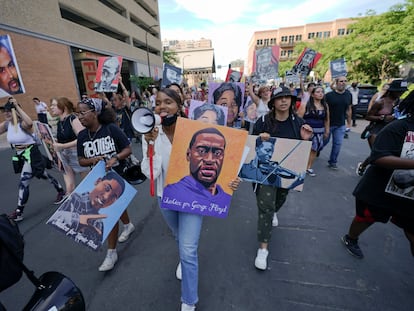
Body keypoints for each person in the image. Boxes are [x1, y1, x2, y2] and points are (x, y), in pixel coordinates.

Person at [141, 88, 239, 311]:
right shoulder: (150, 132)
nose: (162, 107)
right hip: (165, 197)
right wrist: (150, 144)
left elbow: (221, 161)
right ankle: (185, 261)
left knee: (187, 249)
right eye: (157, 103)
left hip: (193, 198)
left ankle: (188, 300)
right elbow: (150, 173)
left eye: (168, 102)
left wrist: (230, 181)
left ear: (179, 106)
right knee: (179, 237)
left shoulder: (194, 129)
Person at [341, 90, 414, 260]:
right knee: (365, 219)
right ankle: (351, 238)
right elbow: (378, 157)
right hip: (380, 189)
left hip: (409, 196)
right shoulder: (399, 127)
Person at [250, 86, 313, 270]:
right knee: (265, 208)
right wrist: (259, 139)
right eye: (280, 98)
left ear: (292, 101)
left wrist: (305, 139)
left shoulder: (298, 123)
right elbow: (250, 147)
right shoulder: (263, 121)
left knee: (280, 198)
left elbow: (301, 153)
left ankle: (274, 210)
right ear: (273, 102)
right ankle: (263, 249)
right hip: (264, 174)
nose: (284, 101)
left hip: (286, 173)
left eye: (287, 98)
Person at [76, 98, 135, 271]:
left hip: (117, 178)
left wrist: (115, 158)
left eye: (82, 112)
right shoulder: (81, 136)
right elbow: (81, 160)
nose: (79, 117)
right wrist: (93, 160)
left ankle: (111, 252)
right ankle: (129, 225)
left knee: (110, 214)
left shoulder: (111, 129)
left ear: (95, 113)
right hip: (99, 180)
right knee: (115, 209)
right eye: (77, 113)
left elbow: (127, 149)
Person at [0, 98, 65, 222]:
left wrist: (17, 108)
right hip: (21, 156)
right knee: (42, 174)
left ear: (16, 112)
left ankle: (19, 211)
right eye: (5, 111)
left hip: (31, 153)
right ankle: (60, 190)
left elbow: (30, 123)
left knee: (24, 181)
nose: (6, 113)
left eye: (9, 111)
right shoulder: (7, 125)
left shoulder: (23, 124)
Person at [47, 171, 125, 248]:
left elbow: (94, 244)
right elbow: (55, 219)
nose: (106, 197)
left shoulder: (99, 224)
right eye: (107, 188)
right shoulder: (73, 200)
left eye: (113, 197)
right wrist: (77, 219)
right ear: (98, 181)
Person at [162, 127, 231, 212]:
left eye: (217, 153)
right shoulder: (172, 192)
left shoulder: (225, 199)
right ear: (188, 154)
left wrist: (234, 182)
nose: (209, 159)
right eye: (201, 151)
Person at [356, 79, 408, 176]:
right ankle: (365, 169)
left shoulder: (400, 102)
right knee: (378, 154)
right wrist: (382, 118)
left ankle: (366, 166)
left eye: (403, 91)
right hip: (376, 131)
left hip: (391, 131)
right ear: (392, 90)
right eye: (399, 91)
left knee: (387, 154)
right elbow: (368, 116)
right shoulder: (380, 102)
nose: (401, 93)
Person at [51, 97, 89, 197]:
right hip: (64, 154)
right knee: (69, 188)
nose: (51, 107)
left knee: (87, 182)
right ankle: (70, 198)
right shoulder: (59, 122)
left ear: (63, 106)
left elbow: (82, 138)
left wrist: (62, 145)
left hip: (77, 153)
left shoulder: (73, 119)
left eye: (54, 105)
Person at [239, 137, 305, 188]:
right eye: (267, 150)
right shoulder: (243, 169)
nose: (270, 154)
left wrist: (295, 184)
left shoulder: (275, 176)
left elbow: (277, 195)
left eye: (272, 151)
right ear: (257, 149)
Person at [297, 85, 330, 176]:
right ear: (312, 94)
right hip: (307, 132)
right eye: (318, 92)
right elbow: (299, 119)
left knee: (315, 149)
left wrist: (327, 130)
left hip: (319, 131)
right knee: (305, 149)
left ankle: (308, 167)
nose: (320, 94)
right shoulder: (306, 105)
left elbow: (327, 119)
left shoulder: (325, 105)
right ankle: (301, 166)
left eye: (322, 92)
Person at [324, 76, 352, 170]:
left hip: (340, 125)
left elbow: (348, 109)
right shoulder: (329, 96)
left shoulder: (348, 95)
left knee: (337, 144)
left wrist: (349, 123)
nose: (343, 83)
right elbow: (324, 110)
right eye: (341, 81)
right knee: (323, 142)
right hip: (328, 123)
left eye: (345, 81)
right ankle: (314, 152)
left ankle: (333, 162)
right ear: (336, 82)